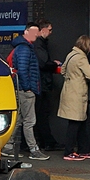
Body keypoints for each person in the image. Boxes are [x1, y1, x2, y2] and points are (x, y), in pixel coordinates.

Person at [57, 35, 90, 160]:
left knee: (80, 122)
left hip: (69, 91)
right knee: (75, 124)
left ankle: (83, 150)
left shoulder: (71, 54)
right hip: (77, 93)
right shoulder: (81, 57)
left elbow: (63, 71)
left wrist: (72, 78)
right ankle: (69, 152)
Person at [11, 23, 48, 160]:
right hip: (26, 90)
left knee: (19, 120)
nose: (36, 35)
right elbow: (22, 70)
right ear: (26, 32)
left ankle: (7, 146)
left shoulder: (22, 47)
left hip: (22, 89)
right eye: (33, 32)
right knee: (29, 121)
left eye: (37, 32)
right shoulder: (25, 49)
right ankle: (34, 150)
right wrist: (28, 88)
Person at [33, 19, 60, 151]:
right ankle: (46, 141)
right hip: (41, 83)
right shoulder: (39, 44)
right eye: (49, 29)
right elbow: (43, 63)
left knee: (39, 113)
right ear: (42, 30)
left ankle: (44, 141)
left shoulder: (39, 44)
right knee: (42, 113)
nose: (51, 32)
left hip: (41, 83)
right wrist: (54, 64)